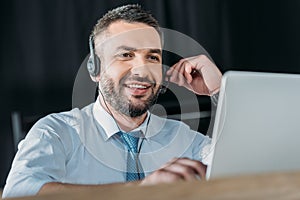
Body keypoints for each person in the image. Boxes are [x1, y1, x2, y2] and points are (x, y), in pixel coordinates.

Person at [2, 4, 222, 198]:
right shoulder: (57, 132)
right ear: (95, 69)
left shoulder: (184, 138)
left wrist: (219, 90)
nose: (142, 70)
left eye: (152, 57)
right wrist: (141, 190)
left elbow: (249, 166)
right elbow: (20, 192)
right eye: (125, 55)